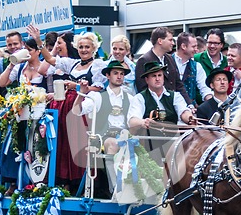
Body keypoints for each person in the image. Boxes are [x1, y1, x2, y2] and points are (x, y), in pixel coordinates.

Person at [27, 24, 106, 193]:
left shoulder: (98, 64)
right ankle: (63, 181)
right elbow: (50, 59)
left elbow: (98, 88)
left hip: (82, 107)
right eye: (81, 47)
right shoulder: (73, 63)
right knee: (62, 143)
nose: (84, 50)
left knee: (77, 143)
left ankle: (81, 183)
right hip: (64, 106)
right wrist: (39, 41)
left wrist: (76, 86)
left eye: (87, 47)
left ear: (94, 48)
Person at [72, 60, 134, 199]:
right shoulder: (97, 96)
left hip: (124, 136)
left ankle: (136, 188)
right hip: (103, 137)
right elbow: (76, 111)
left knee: (137, 143)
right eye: (115, 73)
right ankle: (117, 190)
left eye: (122, 74)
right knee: (113, 144)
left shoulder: (130, 98)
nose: (119, 76)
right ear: (107, 75)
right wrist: (81, 94)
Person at [134, 27, 192, 106]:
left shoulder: (170, 58)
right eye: (170, 40)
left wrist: (189, 104)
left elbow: (179, 84)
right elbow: (142, 88)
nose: (173, 43)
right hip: (155, 109)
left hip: (173, 106)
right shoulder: (144, 60)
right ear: (160, 41)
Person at [173, 32, 212, 106]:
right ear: (183, 46)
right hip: (170, 110)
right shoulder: (167, 62)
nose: (196, 50)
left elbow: (205, 89)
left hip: (190, 110)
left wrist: (213, 103)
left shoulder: (197, 66)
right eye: (194, 47)